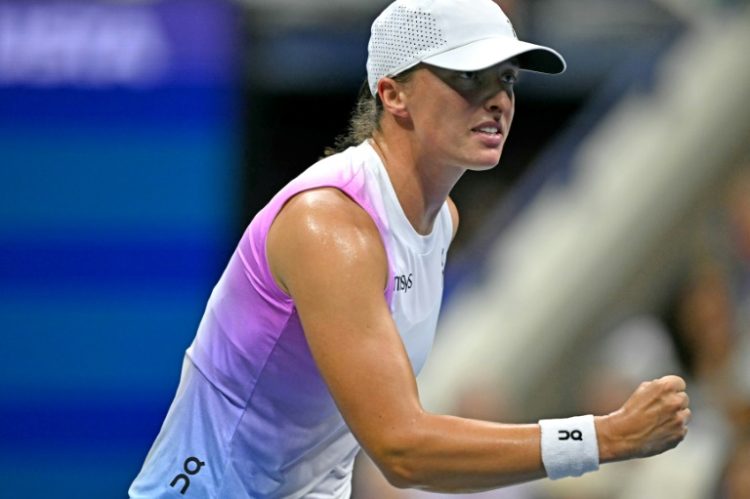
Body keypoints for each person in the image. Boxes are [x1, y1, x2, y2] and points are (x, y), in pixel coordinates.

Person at [128, 1, 691, 497]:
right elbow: (403, 449)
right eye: (470, 77)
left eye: (507, 80)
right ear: (394, 94)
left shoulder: (440, 219)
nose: (498, 100)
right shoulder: (331, 229)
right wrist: (603, 437)